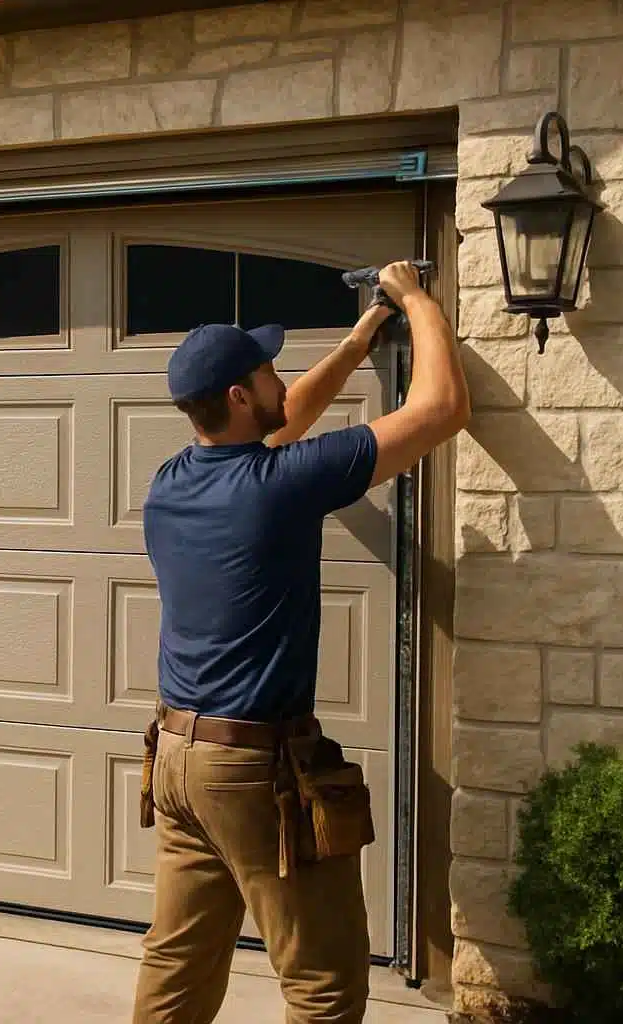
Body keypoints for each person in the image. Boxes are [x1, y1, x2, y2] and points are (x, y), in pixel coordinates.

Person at [130, 261, 470, 1024]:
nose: (278, 375)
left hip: (179, 760)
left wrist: (357, 341)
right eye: (266, 369)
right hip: (252, 772)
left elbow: (281, 422)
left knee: (177, 966)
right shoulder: (278, 487)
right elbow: (444, 407)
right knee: (323, 985)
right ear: (238, 396)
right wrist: (415, 299)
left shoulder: (171, 481)